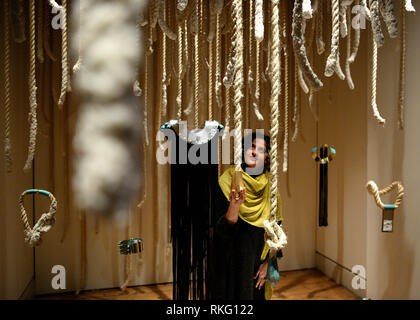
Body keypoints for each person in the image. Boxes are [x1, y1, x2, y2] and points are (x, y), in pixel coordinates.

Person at [209, 131, 283, 300]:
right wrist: (234, 207)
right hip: (229, 264)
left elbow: (277, 232)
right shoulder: (227, 181)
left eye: (261, 149)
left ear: (266, 158)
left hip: (256, 267)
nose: (254, 152)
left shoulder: (271, 189)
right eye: (251, 147)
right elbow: (220, 230)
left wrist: (268, 263)